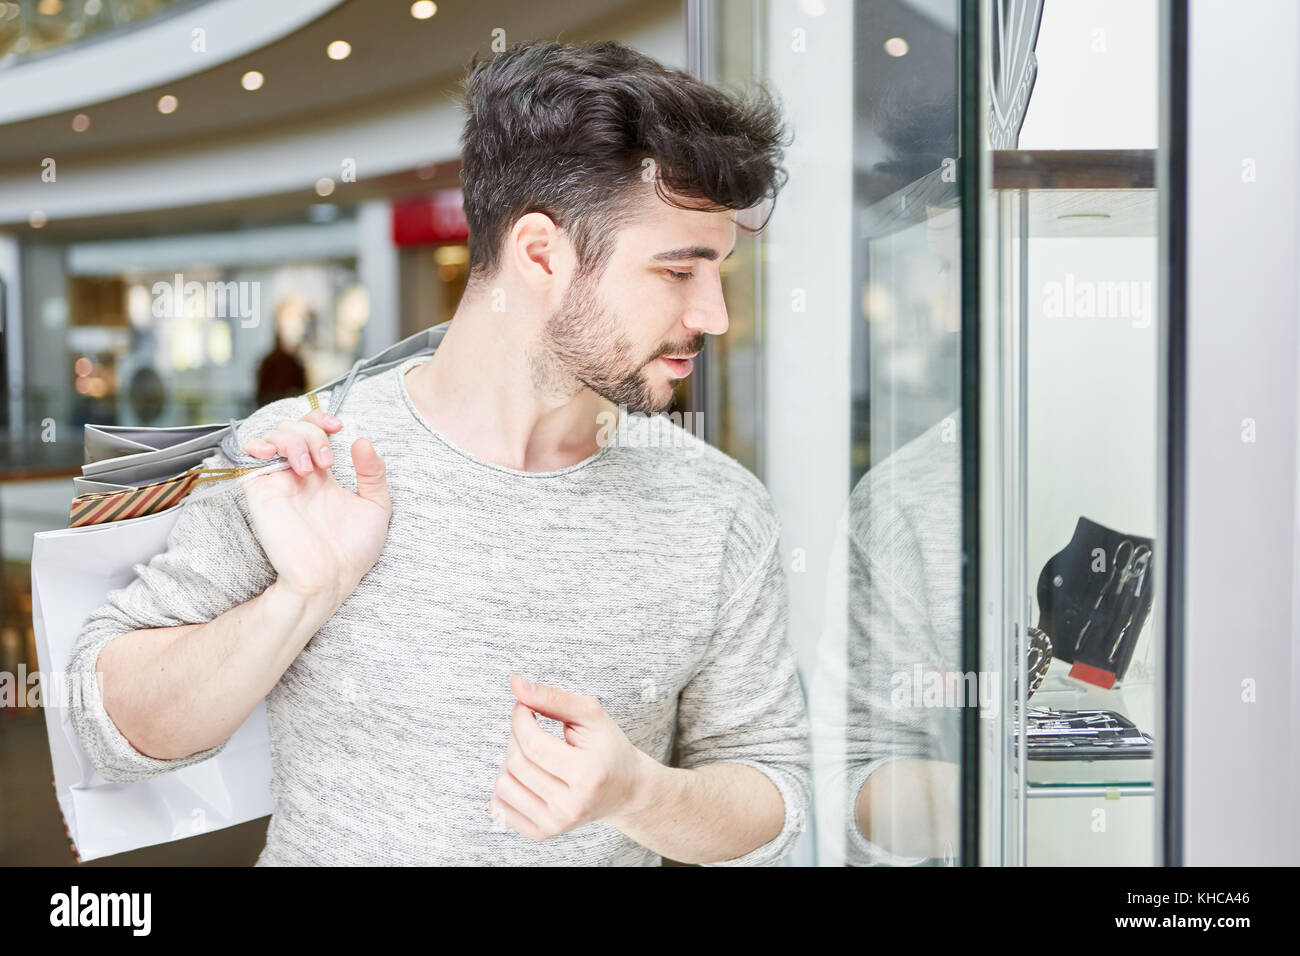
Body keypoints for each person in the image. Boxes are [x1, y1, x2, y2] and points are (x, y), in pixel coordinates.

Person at [65, 40, 810, 866]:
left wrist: (640, 794)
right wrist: (298, 600)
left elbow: (774, 793)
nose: (715, 316)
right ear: (541, 254)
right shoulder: (303, 455)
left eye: (719, 272)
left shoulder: (717, 504)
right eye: (678, 272)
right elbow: (109, 728)